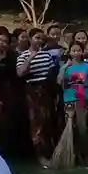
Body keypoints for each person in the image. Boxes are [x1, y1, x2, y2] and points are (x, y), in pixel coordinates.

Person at [17, 27, 62, 163]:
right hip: (32, 91)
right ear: (30, 38)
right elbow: (20, 73)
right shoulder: (23, 55)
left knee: (48, 121)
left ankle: (50, 153)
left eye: (41, 39)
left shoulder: (46, 55)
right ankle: (40, 155)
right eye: (37, 38)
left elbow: (51, 73)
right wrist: (31, 56)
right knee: (36, 124)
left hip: (47, 90)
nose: (39, 41)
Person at [58, 42, 88, 160]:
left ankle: (83, 154)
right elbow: (59, 81)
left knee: (82, 127)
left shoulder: (87, 66)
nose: (76, 53)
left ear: (82, 52)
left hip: (83, 98)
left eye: (78, 50)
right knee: (70, 126)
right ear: (69, 52)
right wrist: (65, 67)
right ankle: (70, 154)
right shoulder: (65, 67)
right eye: (73, 50)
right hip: (69, 99)